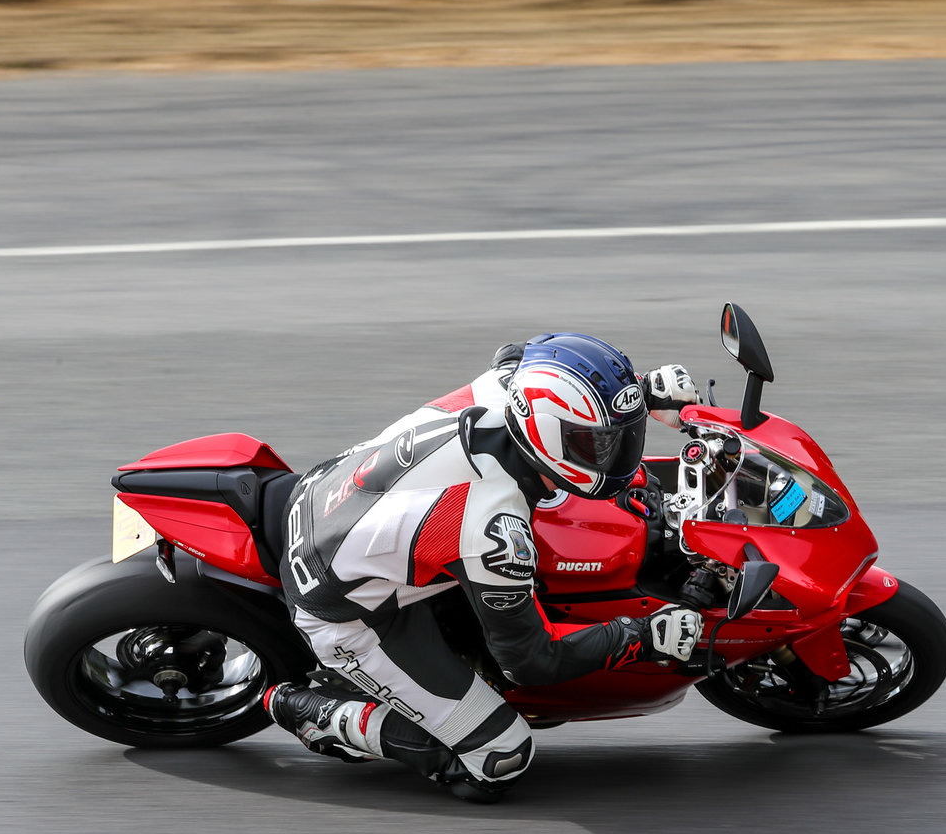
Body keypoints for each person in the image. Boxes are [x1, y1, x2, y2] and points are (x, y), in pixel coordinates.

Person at [264, 333, 704, 802]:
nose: (616, 452)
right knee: (500, 758)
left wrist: (637, 390)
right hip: (351, 614)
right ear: (551, 438)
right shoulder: (493, 527)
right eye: (599, 444)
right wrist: (637, 635)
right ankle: (318, 711)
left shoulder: (508, 387)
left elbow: (524, 351)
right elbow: (531, 662)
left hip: (328, 493)